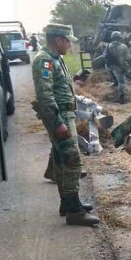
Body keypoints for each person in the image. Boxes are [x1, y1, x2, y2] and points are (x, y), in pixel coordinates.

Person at [31, 24, 98, 226]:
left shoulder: (55, 58)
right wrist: (57, 122)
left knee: (61, 159)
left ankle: (67, 203)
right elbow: (45, 95)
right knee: (72, 159)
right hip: (58, 116)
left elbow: (58, 84)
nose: (70, 44)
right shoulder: (44, 60)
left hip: (64, 113)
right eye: (68, 40)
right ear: (58, 40)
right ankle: (74, 211)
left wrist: (75, 79)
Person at [106, 31, 130, 104]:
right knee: (122, 82)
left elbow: (105, 56)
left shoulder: (108, 46)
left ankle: (114, 82)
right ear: (119, 38)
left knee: (115, 79)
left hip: (109, 67)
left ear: (112, 38)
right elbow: (128, 57)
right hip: (119, 67)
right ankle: (121, 98)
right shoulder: (123, 46)